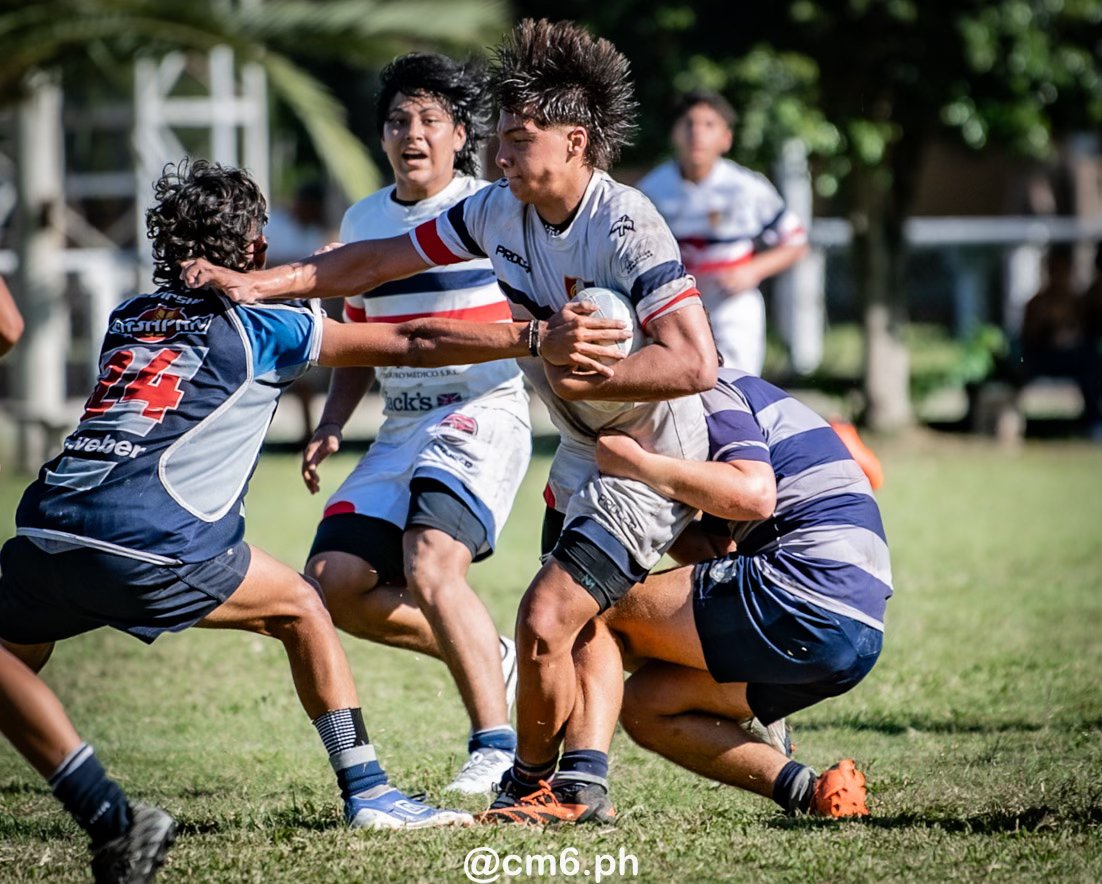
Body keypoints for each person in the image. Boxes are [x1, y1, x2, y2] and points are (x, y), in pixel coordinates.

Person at [0, 158, 622, 866]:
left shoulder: (128, 314)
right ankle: (370, 792)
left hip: (44, 522)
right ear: (256, 249)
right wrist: (534, 337)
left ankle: (106, 815)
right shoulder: (268, 325)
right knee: (302, 604)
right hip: (152, 536)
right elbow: (411, 342)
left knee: (10, 654)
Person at [181, 18, 719, 823]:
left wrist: (592, 365)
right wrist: (262, 285)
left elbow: (695, 364)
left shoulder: (626, 221)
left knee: (541, 616)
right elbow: (372, 263)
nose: (498, 157)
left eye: (517, 139)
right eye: (498, 139)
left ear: (575, 143)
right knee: (566, 632)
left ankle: (522, 774)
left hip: (646, 450)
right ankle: (582, 788)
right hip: (579, 446)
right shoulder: (497, 211)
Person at [505, 366, 888, 824]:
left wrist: (638, 466)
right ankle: (813, 791)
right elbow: (715, 549)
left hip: (800, 591)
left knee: (591, 604)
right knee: (648, 706)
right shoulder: (748, 396)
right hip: (858, 631)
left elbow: (753, 495)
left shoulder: (710, 392)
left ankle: (577, 788)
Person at [300, 52, 531, 795]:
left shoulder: (496, 208)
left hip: (481, 412)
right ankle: (491, 654)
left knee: (433, 563)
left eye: (432, 119)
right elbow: (359, 336)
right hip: (399, 427)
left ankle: (496, 746)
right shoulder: (362, 221)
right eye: (399, 120)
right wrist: (334, 420)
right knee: (330, 585)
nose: (414, 133)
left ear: (462, 134)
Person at [637, 89, 809, 375]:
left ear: (726, 138)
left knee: (735, 388)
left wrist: (753, 270)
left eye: (709, 125)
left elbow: (796, 242)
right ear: (674, 134)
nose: (697, 133)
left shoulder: (746, 187)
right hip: (672, 308)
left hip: (732, 307)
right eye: (689, 124)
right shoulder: (652, 190)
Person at [1019, 242, 1102, 435]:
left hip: (1075, 359)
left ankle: (1093, 420)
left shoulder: (1078, 302)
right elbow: (1027, 338)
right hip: (1044, 358)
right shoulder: (1037, 303)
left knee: (1091, 363)